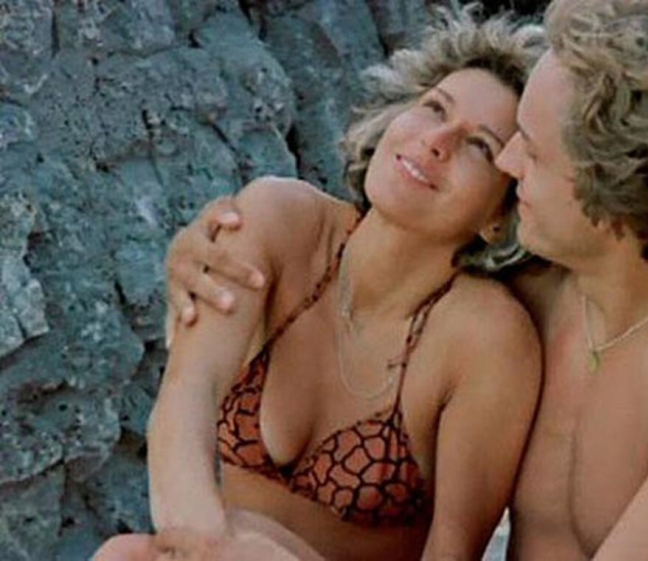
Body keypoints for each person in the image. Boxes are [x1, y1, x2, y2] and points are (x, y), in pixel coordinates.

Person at [166, 0, 648, 559]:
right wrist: (199, 255)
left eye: (530, 152)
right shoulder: (544, 291)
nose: (509, 166)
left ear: (616, 191)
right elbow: (376, 251)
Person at [95, 7, 544, 561]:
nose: (437, 140)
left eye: (480, 145)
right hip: (216, 545)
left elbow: (453, 550)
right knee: (124, 554)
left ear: (501, 214)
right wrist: (209, 546)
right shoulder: (280, 220)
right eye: (434, 108)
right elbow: (187, 394)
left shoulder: (487, 338)